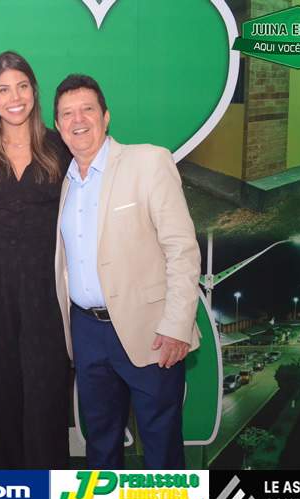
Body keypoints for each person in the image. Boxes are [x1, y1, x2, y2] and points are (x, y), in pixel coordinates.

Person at [53, 74, 201, 469]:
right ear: (58, 126)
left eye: (87, 109)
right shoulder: (65, 183)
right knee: (100, 447)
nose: (78, 120)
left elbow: (182, 249)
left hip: (151, 332)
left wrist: (177, 326)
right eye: (67, 114)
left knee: (161, 449)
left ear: (106, 117)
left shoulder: (148, 162)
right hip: (87, 333)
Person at [0, 51, 72, 469]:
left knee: (48, 393)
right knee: (2, 392)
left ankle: (51, 491)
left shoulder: (59, 145)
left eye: (22, 86)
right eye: (4, 90)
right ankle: (11, 489)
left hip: (48, 290)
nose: (15, 97)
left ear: (34, 91)